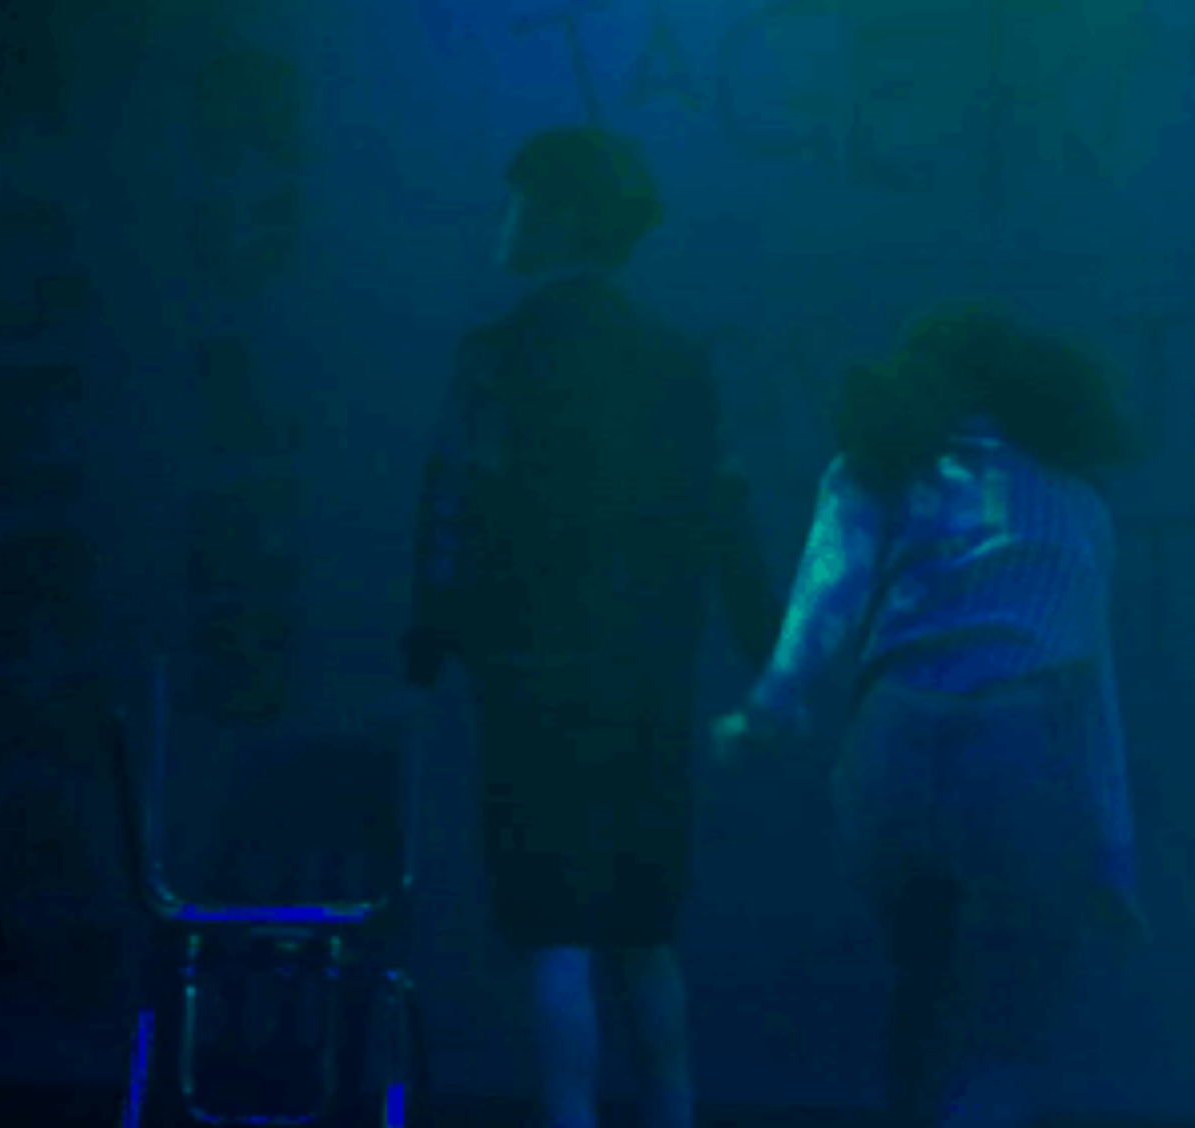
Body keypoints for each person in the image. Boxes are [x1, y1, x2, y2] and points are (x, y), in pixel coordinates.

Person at [403, 126, 779, 1128]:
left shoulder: (497, 359)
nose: (504, 219)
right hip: (648, 683)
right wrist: (766, 643)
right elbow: (725, 513)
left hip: (529, 683)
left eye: (519, 201)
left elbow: (451, 505)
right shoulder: (679, 364)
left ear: (560, 217)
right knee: (644, 932)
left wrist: (430, 637)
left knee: (555, 935)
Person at [712, 305, 1146, 1128]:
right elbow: (1096, 696)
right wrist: (1115, 858)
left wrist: (769, 706)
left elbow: (826, 598)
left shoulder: (876, 468)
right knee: (1005, 1028)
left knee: (922, 983)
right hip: (1024, 751)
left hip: (890, 750)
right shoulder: (1078, 502)